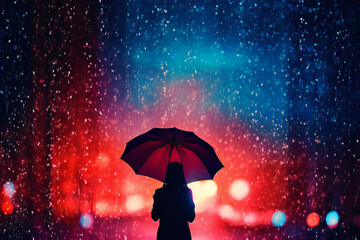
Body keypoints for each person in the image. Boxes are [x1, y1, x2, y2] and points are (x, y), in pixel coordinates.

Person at [151, 162, 195, 240]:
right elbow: (191, 218)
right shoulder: (186, 192)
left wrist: (160, 200)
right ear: (182, 176)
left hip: (164, 234)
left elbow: (155, 216)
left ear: (167, 175)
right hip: (182, 234)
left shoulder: (160, 192)